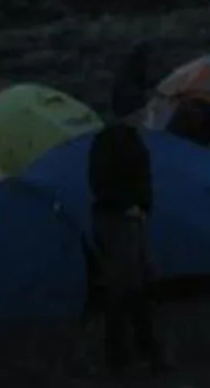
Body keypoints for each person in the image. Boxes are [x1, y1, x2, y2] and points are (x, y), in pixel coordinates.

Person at [84, 122, 165, 377]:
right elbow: (135, 180)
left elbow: (99, 182)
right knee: (126, 287)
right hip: (122, 218)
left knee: (129, 284)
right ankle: (128, 354)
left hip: (115, 216)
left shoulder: (106, 141)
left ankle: (135, 352)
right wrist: (137, 205)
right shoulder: (124, 143)